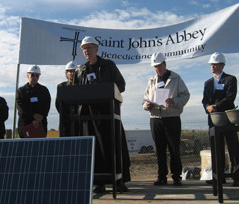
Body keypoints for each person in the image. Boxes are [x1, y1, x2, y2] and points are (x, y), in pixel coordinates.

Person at [73, 36, 131, 193]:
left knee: (114, 147)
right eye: (84, 48)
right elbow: (74, 93)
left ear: (97, 49)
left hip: (108, 115)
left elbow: (121, 85)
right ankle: (99, 183)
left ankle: (120, 181)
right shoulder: (80, 70)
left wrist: (106, 90)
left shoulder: (108, 66)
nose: (86, 50)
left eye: (89, 47)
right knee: (95, 150)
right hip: (89, 118)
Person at [143, 52, 190, 186]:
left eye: (159, 66)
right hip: (155, 118)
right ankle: (161, 176)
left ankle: (176, 176)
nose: (157, 69)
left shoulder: (176, 78)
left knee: (174, 148)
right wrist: (147, 105)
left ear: (165, 64)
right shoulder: (151, 81)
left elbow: (185, 96)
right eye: (155, 67)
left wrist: (174, 101)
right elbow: (144, 99)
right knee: (159, 149)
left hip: (172, 118)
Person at [202, 52, 239, 186]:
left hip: (227, 117)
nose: (213, 66)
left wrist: (216, 106)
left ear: (222, 65)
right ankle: (218, 176)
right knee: (216, 149)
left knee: (233, 147)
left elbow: (230, 97)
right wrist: (207, 107)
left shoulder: (230, 79)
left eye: (215, 64)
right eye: (211, 64)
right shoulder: (208, 83)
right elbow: (204, 100)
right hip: (213, 119)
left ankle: (237, 176)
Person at [16, 65, 51, 138]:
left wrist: (40, 117)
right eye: (32, 75)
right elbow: (21, 107)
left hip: (40, 124)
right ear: (28, 76)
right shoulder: (21, 91)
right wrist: (33, 116)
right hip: (26, 125)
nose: (35, 77)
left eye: (37, 75)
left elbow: (46, 105)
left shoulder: (44, 90)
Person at [55, 61, 77, 136]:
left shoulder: (81, 86)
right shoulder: (61, 86)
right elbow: (58, 104)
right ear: (66, 73)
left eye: (74, 71)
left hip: (79, 122)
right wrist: (67, 116)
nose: (72, 73)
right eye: (70, 71)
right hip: (65, 123)